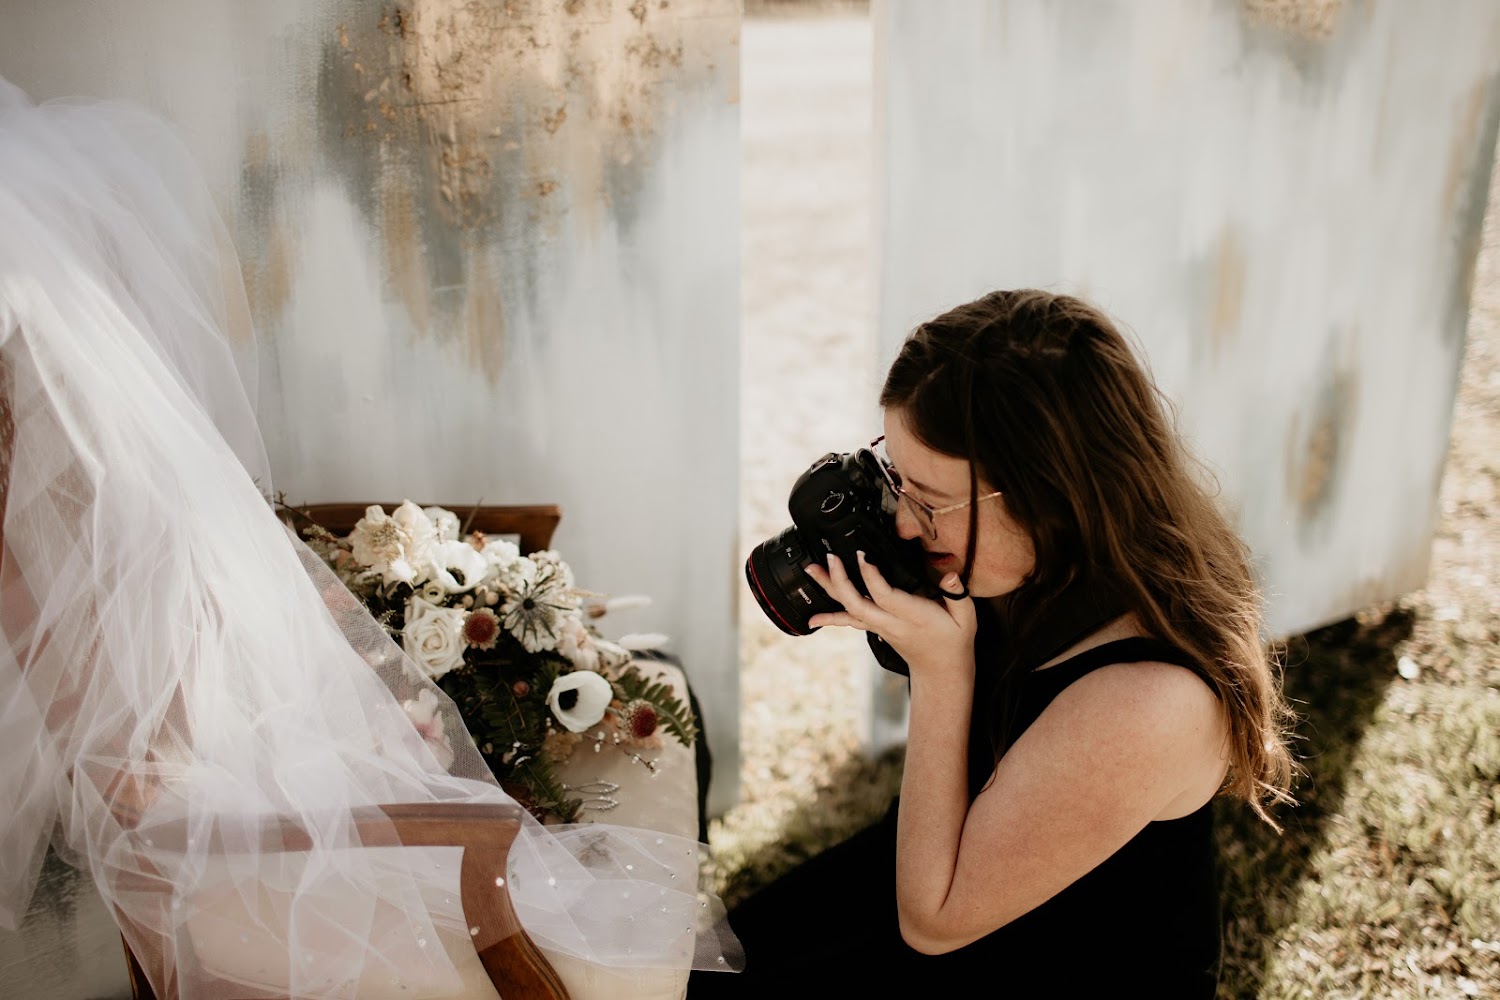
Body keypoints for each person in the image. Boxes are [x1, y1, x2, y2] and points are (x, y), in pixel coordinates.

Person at [0, 80, 740, 996]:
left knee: (648, 707)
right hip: (286, 852)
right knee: (596, 878)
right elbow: (148, 800)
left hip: (312, 783)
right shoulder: (54, 569)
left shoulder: (143, 504)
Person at [692, 289, 1296, 996]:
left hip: (1031, 953)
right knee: (696, 973)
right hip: (940, 860)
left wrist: (941, 671)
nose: (906, 524)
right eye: (896, 480)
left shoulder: (1149, 703)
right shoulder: (1035, 565)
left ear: (1048, 496)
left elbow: (934, 922)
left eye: (930, 499)